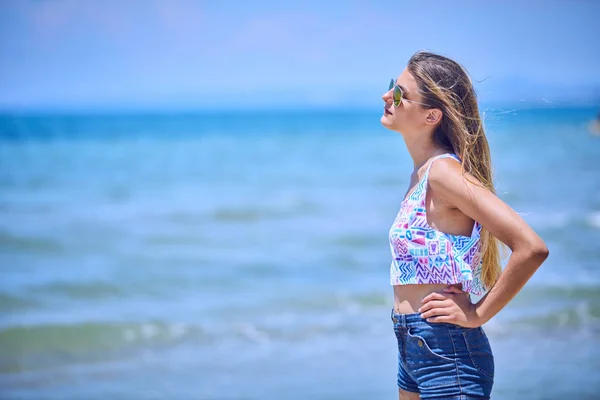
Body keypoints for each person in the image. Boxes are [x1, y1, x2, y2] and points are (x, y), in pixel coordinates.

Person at [381, 51, 549, 400]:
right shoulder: (422, 174)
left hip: (448, 351)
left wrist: (477, 314)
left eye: (399, 93)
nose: (387, 97)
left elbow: (531, 248)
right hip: (413, 344)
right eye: (389, 88)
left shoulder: (443, 173)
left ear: (432, 115)